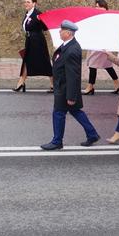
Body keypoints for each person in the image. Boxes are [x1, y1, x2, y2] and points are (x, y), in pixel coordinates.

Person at [41, 20, 100, 150]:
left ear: (68, 33)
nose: (59, 32)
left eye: (61, 30)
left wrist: (71, 96)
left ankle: (57, 142)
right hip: (63, 86)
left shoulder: (72, 49)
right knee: (75, 111)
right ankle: (92, 134)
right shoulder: (67, 45)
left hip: (65, 88)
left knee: (58, 113)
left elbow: (73, 75)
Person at [14, 0, 53, 93]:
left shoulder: (37, 13)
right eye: (25, 2)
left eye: (28, 2)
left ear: (34, 3)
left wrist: (42, 20)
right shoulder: (28, 13)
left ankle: (54, 84)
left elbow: (45, 28)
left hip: (38, 41)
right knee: (27, 61)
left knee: (44, 61)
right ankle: (21, 82)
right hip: (29, 40)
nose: (26, 4)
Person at [83, 0, 119, 95]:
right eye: (96, 6)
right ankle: (117, 83)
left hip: (101, 45)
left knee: (92, 64)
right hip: (94, 43)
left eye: (100, 6)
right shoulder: (95, 17)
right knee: (107, 64)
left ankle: (90, 86)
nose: (97, 8)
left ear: (105, 7)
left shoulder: (108, 18)